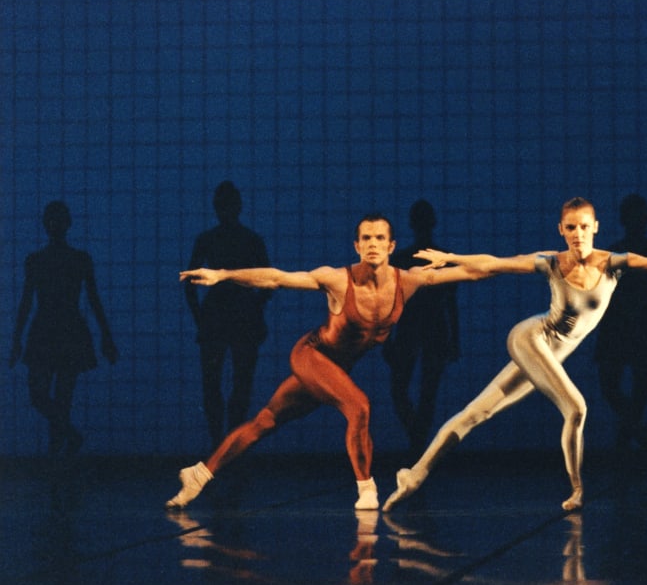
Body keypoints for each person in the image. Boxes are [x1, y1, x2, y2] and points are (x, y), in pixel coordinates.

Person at [383, 196, 647, 512]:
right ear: (561, 230)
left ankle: (414, 475)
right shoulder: (553, 262)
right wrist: (451, 260)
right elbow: (495, 264)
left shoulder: (614, 264)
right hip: (529, 339)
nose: (578, 234)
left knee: (476, 413)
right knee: (577, 407)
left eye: (585, 227)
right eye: (571, 227)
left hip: (549, 355)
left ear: (596, 228)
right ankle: (577, 490)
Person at [165, 213, 494, 511]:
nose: (373, 244)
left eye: (380, 238)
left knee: (265, 421)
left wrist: (513, 262)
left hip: (334, 370)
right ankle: (366, 490)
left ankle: (200, 473)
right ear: (356, 245)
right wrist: (223, 274)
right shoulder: (337, 279)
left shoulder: (409, 281)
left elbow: (473, 273)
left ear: (392, 245)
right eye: (366, 238)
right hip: (311, 356)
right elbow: (277, 278)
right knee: (360, 406)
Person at [9, 201, 119, 456]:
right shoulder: (77, 260)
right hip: (69, 329)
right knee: (60, 398)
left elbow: (28, 302)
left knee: (45, 397)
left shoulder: (37, 261)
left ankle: (59, 452)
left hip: (46, 329)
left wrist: (17, 339)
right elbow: (93, 300)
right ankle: (64, 448)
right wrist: (106, 337)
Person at [186, 181, 273, 448]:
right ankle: (231, 445)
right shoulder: (250, 239)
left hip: (217, 314)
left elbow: (190, 282)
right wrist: (254, 305)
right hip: (242, 314)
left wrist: (200, 317)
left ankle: (219, 444)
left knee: (215, 385)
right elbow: (268, 281)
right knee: (239, 385)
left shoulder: (208, 240)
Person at [593, 194, 647, 450]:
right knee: (636, 388)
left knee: (616, 385)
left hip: (621, 322)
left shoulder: (614, 253)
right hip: (641, 321)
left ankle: (629, 436)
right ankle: (633, 434)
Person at [382, 199, 460, 454]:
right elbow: (451, 304)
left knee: (403, 391)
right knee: (426, 393)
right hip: (433, 329)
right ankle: (418, 444)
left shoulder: (403, 258)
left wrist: (387, 338)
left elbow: (392, 301)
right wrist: (455, 339)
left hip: (410, 328)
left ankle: (417, 444)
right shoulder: (443, 259)